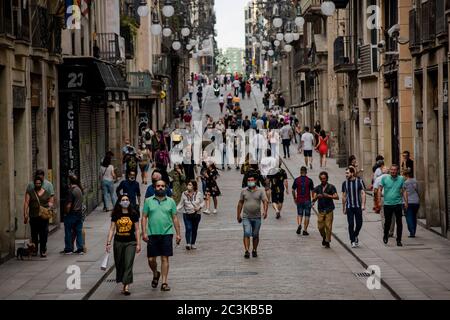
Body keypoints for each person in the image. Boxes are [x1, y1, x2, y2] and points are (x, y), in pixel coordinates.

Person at [142, 180, 181, 292]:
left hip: (167, 233)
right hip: (152, 234)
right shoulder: (148, 201)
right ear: (154, 187)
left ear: (166, 188)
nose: (160, 188)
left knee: (165, 258)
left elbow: (174, 217)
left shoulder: (171, 201)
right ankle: (155, 273)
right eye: (158, 186)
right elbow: (144, 217)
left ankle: (164, 282)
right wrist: (144, 232)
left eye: (162, 186)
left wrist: (178, 234)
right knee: (151, 259)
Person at [106, 194, 141, 296]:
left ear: (129, 201)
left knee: (128, 263)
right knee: (119, 263)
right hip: (118, 242)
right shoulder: (116, 214)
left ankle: (126, 286)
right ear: (120, 202)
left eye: (127, 199)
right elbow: (112, 229)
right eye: (123, 200)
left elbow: (137, 229)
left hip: (131, 242)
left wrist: (138, 243)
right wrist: (108, 242)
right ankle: (123, 280)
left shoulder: (133, 214)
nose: (125, 201)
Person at [237, 175, 268, 259]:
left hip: (257, 217)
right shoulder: (244, 191)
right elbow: (240, 203)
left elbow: (265, 201)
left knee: (255, 234)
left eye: (251, 180)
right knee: (246, 232)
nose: (250, 182)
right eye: (248, 180)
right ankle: (247, 250)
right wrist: (238, 214)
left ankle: (254, 249)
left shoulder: (260, 191)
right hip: (246, 216)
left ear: (255, 181)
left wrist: (265, 211)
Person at [24, 175, 53, 257]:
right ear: (34, 184)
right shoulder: (30, 192)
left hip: (43, 217)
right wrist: (25, 214)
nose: (38, 185)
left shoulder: (46, 192)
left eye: (39, 183)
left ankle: (43, 250)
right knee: (34, 235)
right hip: (33, 217)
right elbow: (26, 203)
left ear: (41, 183)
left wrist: (49, 208)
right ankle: (35, 250)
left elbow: (50, 202)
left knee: (44, 234)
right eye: (36, 183)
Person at [379, 164, 408, 246]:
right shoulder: (384, 178)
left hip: (398, 203)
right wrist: (378, 200)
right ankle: (385, 235)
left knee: (399, 223)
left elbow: (404, 191)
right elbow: (380, 189)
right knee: (387, 222)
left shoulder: (401, 179)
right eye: (392, 170)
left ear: (397, 171)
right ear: (390, 170)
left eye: (395, 170)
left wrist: (406, 202)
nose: (393, 171)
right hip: (387, 204)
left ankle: (399, 240)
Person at [312, 172, 339, 248]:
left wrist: (328, 195)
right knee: (320, 227)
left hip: (329, 209)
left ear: (327, 178)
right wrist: (317, 196)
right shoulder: (317, 188)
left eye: (324, 178)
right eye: (321, 179)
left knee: (328, 226)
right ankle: (324, 237)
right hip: (321, 210)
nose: (323, 180)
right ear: (320, 179)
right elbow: (313, 198)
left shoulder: (331, 187)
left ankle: (327, 240)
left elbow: (337, 197)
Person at [342, 167, 366, 248]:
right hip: (349, 207)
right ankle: (352, 240)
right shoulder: (344, 183)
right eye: (346, 173)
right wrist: (344, 207)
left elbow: (363, 193)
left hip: (358, 206)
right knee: (351, 224)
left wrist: (363, 204)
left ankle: (355, 235)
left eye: (347, 173)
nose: (346, 175)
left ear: (352, 173)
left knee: (359, 224)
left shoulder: (359, 181)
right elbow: (344, 196)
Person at [177, 180, 204, 250]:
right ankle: (188, 243)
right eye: (188, 184)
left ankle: (193, 243)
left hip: (196, 214)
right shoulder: (184, 194)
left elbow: (203, 202)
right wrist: (175, 210)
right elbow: (181, 204)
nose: (188, 186)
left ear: (194, 186)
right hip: (187, 214)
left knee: (194, 229)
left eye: (190, 185)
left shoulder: (198, 194)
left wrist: (199, 207)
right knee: (188, 228)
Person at [61, 175, 84, 255]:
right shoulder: (79, 189)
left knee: (68, 231)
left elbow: (69, 205)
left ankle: (69, 248)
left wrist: (66, 213)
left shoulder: (71, 191)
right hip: (79, 213)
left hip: (72, 214)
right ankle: (80, 248)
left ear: (69, 182)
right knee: (78, 231)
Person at [292, 166, 314, 235]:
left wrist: (294, 198)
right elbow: (312, 190)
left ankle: (299, 225)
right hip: (307, 200)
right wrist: (313, 199)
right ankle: (305, 230)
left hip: (299, 200)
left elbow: (293, 190)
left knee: (299, 214)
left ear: (300, 172)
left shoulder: (296, 180)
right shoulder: (309, 180)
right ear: (306, 172)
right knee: (307, 215)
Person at [403, 169, 420, 238]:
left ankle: (412, 231)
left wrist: (405, 202)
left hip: (408, 202)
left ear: (406, 175)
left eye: (403, 175)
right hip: (416, 201)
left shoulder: (405, 182)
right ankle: (414, 231)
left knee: (408, 217)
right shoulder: (415, 181)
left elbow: (404, 193)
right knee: (414, 217)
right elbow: (418, 191)